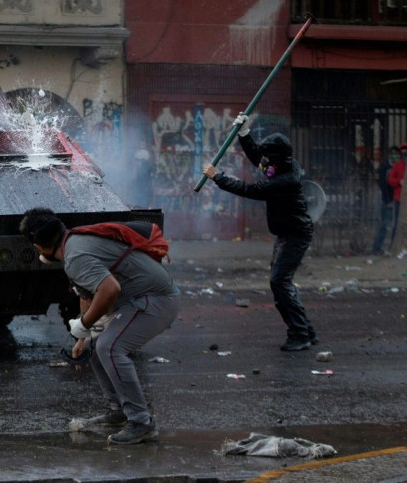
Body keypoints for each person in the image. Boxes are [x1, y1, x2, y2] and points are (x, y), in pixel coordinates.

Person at [20, 208, 180, 445]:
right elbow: (88, 292)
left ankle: (141, 422)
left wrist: (82, 324)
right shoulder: (73, 243)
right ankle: (119, 411)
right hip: (138, 300)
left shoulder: (74, 256)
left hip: (155, 299)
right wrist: (83, 337)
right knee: (94, 345)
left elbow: (109, 289)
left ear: (38, 245)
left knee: (110, 347)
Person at [203, 114, 317, 352]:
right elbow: (259, 160)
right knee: (281, 282)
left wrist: (218, 178)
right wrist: (245, 134)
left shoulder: (283, 180)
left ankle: (300, 333)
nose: (264, 161)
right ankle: (305, 330)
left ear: (276, 158)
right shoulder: (284, 164)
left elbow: (249, 189)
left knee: (279, 282)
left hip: (296, 234)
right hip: (287, 233)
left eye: (268, 157)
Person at [372, 146, 398, 255]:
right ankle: (377, 247)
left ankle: (392, 246)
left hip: (396, 199)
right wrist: (388, 201)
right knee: (384, 224)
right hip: (388, 200)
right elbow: (383, 185)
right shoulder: (385, 167)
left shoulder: (397, 166)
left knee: (395, 225)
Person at [387, 142, 407, 251]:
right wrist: (399, 181)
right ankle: (395, 245)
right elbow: (390, 179)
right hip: (399, 198)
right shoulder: (397, 165)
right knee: (397, 222)